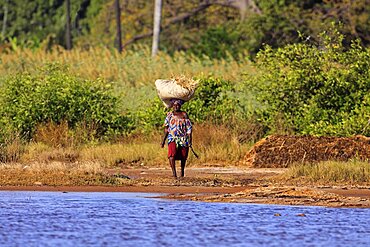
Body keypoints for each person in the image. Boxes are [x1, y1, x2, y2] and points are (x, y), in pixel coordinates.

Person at [160, 99, 192, 178]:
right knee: (171, 155)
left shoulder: (184, 114)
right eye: (174, 105)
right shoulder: (170, 115)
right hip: (172, 137)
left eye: (177, 105)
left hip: (183, 138)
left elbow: (189, 129)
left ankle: (182, 173)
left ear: (180, 106)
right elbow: (166, 129)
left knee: (183, 156)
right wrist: (163, 141)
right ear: (172, 106)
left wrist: (190, 140)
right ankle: (174, 174)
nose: (176, 107)